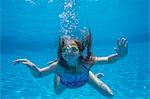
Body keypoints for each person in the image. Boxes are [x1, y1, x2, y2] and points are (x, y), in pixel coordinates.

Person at [13, 27, 128, 98]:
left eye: (73, 49)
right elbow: (39, 74)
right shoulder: (57, 66)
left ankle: (94, 77)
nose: (68, 52)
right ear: (61, 53)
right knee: (57, 93)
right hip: (65, 82)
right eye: (64, 50)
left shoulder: (87, 62)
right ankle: (57, 74)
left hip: (85, 78)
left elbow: (108, 60)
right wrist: (33, 67)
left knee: (110, 95)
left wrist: (121, 55)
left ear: (80, 52)